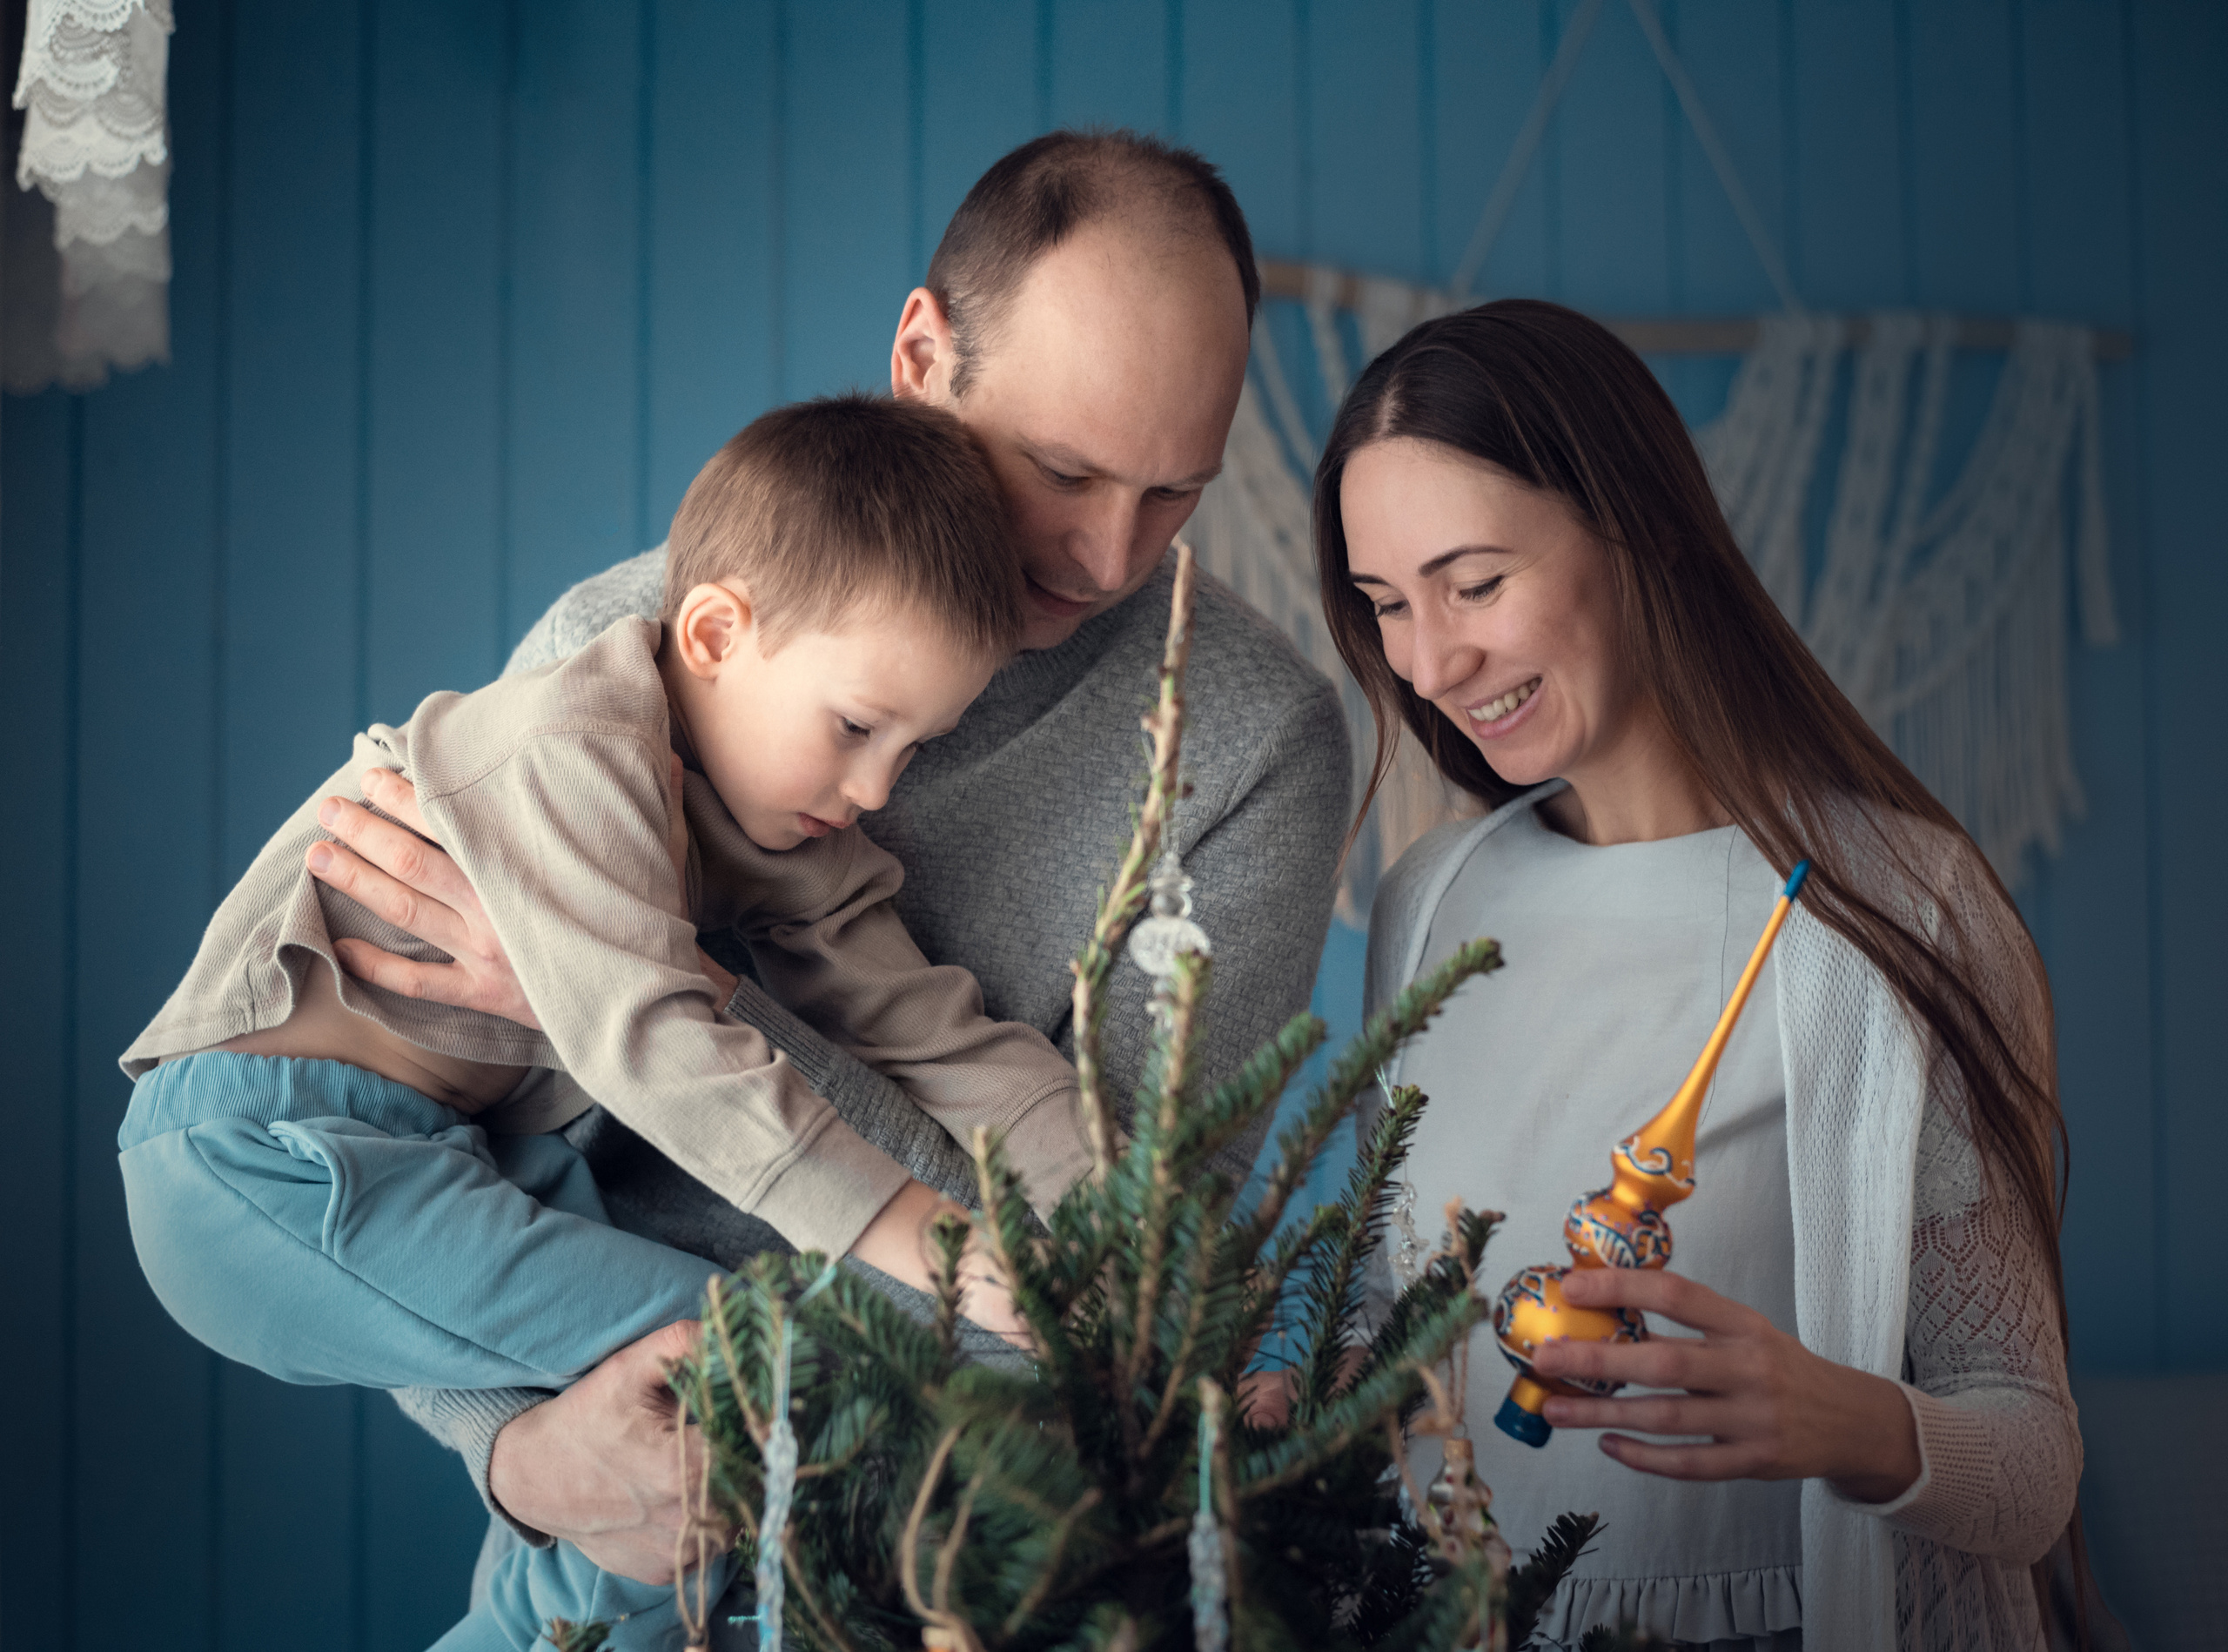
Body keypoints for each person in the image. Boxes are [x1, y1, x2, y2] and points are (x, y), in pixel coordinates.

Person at [285, 129, 1351, 1624]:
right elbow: (395, 1139)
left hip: (977, 1564)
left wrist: (644, 1002)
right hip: (607, 1543)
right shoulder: (630, 653)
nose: (1111, 556)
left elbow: (1117, 1284)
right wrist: (517, 1455)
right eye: (1065, 470)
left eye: (1175, 494)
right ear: (923, 353)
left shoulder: (1252, 747)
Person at [118, 394, 1110, 1650]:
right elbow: (662, 1048)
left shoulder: (781, 820)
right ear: (713, 632)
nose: (873, 789)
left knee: (679, 1462)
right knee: (766, 1372)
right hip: (254, 1155)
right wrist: (955, 1253)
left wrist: (1117, 1246)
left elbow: (935, 1033)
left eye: (913, 750)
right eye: (857, 727)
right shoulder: (574, 746)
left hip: (436, 1160)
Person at [1323, 301, 2079, 1652]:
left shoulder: (1902, 906)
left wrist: (1847, 1420)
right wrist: (1290, 1409)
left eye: (1475, 582)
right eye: (1386, 605)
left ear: (1639, 532)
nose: (1430, 663)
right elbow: (1397, 1318)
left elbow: (2032, 1472)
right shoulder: (1426, 904)